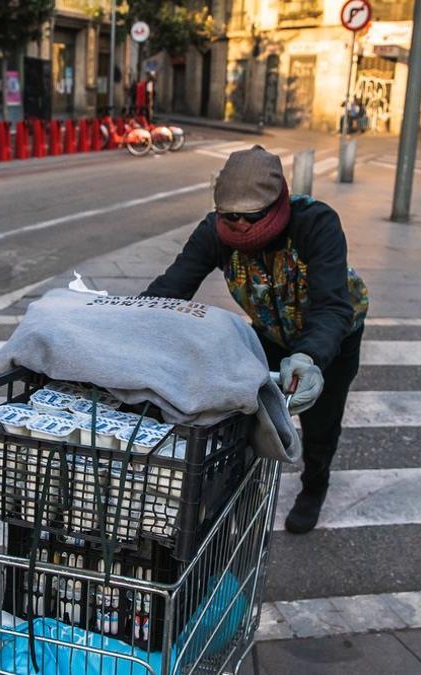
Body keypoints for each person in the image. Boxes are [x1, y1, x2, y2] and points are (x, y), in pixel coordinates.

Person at [143, 146, 369, 534]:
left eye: (253, 217)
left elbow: (333, 306)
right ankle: (237, 490)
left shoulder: (315, 223)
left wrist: (311, 357)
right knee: (246, 417)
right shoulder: (213, 235)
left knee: (320, 422)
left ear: (277, 205)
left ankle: (315, 485)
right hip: (269, 332)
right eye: (230, 216)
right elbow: (169, 290)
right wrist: (123, 320)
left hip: (331, 337)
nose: (241, 226)